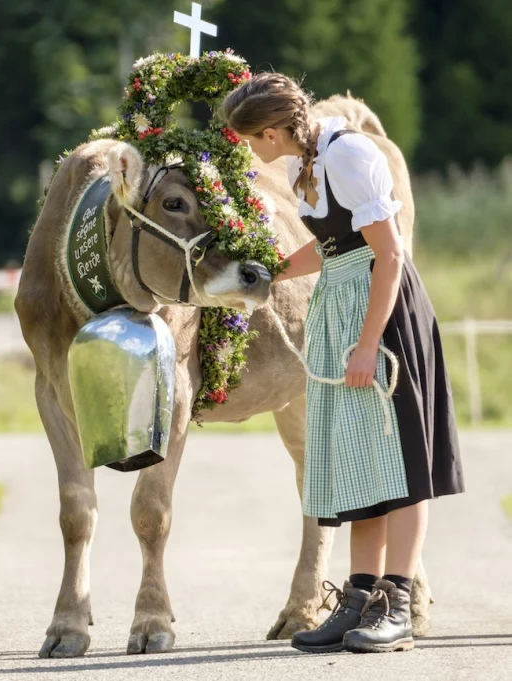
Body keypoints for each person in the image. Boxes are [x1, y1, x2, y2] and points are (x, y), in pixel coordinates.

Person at [221, 73, 464, 654]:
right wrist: (277, 270)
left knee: (401, 466)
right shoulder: (300, 165)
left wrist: (367, 342)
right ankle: (358, 598)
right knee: (360, 461)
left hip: (384, 316)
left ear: (273, 131)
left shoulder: (351, 154)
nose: (251, 152)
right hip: (342, 302)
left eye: (251, 140)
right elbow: (334, 245)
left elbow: (388, 254)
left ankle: (398, 602)